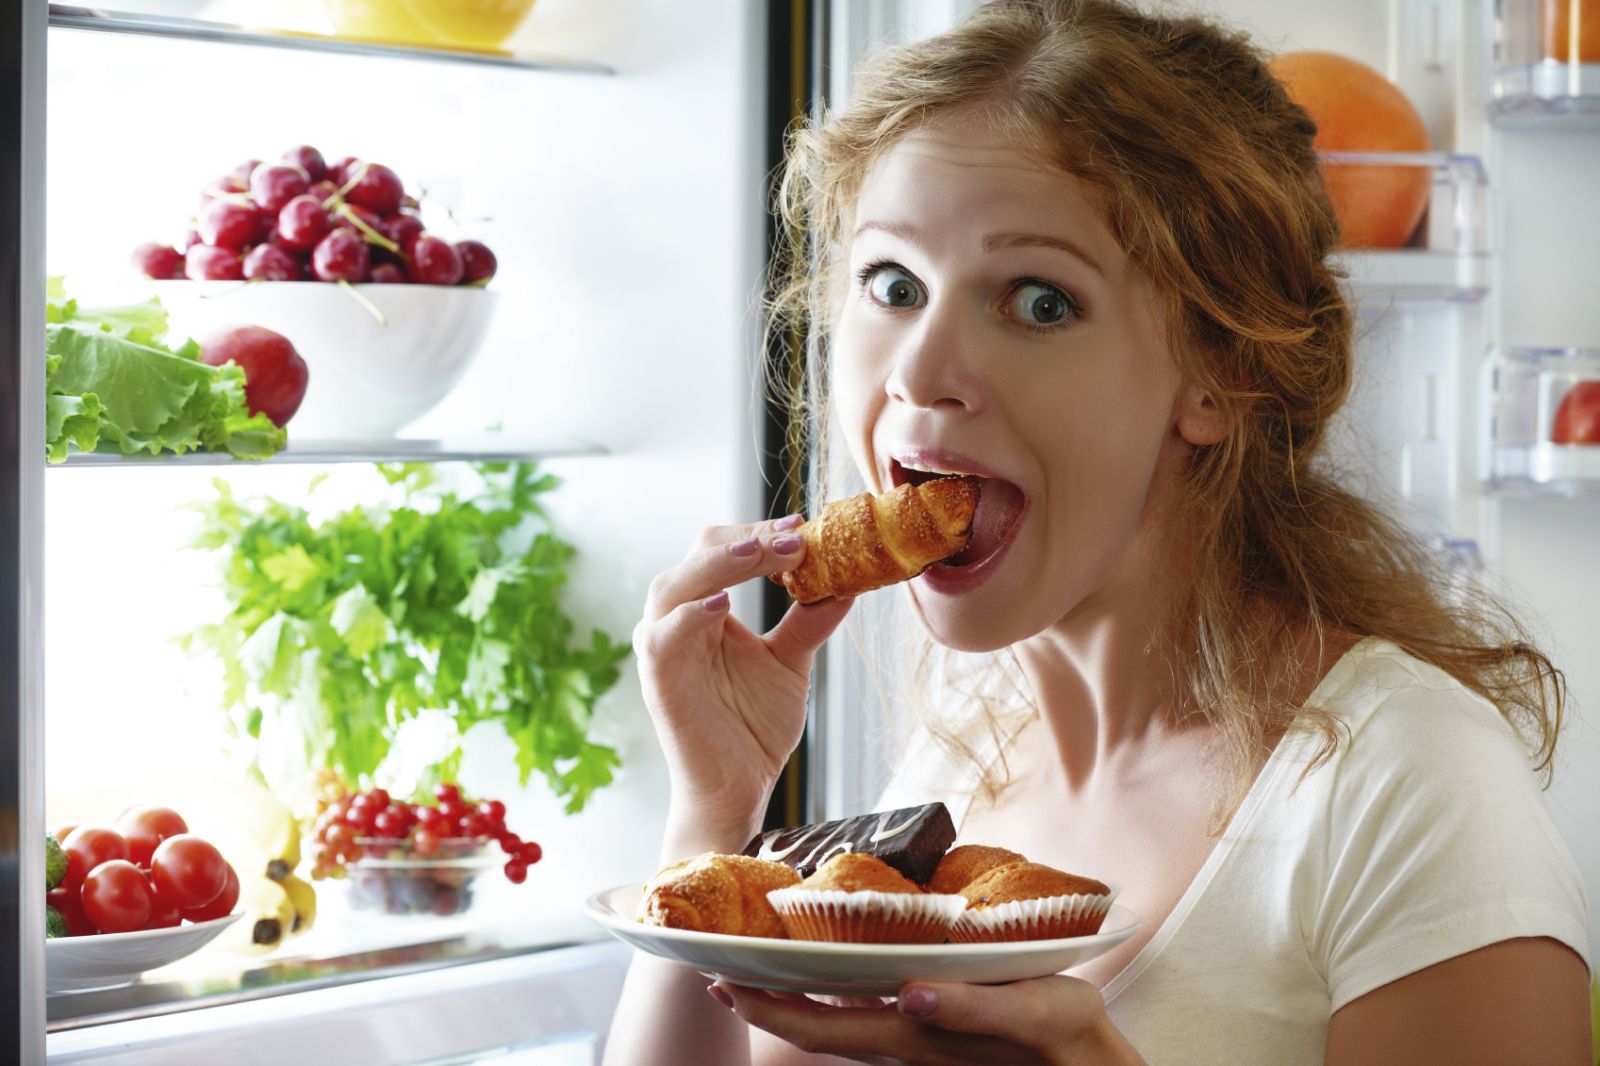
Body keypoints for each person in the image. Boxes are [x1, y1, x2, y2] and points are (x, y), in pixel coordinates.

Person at [604, 1, 1592, 1062]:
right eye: (893, 285)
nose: (920, 372)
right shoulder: (964, 749)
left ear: (1220, 372)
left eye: (1037, 302)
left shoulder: (1410, 785)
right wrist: (714, 820)